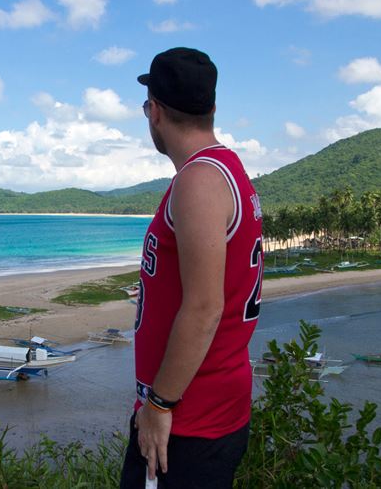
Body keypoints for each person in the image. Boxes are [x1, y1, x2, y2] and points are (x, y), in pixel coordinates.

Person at [120, 47, 264, 488]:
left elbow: (204, 308)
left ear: (155, 111)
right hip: (204, 412)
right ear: (212, 108)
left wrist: (159, 404)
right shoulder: (226, 169)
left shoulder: (199, 181)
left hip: (186, 422)